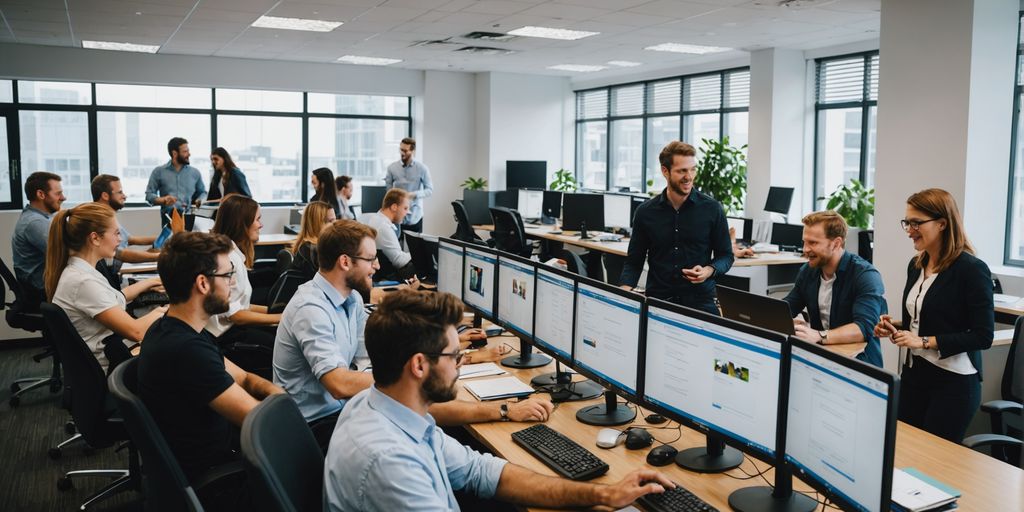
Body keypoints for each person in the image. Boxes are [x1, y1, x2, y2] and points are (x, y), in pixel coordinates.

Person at [324, 289, 673, 511]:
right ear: (418, 365)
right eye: (455, 356)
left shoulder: (383, 407)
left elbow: (482, 472)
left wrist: (602, 494)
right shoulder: (390, 462)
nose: (461, 364)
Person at [273, 220, 552, 448]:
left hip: (342, 409)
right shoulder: (311, 307)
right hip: (315, 428)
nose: (378, 266)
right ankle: (502, 413)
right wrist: (418, 376)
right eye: (371, 259)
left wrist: (456, 355)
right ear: (345, 262)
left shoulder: (351, 300)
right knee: (423, 405)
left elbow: (371, 360)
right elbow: (340, 384)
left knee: (423, 405)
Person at [139, 231, 283, 491]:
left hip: (220, 454)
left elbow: (246, 378)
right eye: (228, 275)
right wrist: (285, 404)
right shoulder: (186, 351)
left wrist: (277, 394)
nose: (232, 283)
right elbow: (258, 421)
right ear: (203, 284)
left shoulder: (174, 328)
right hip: (220, 478)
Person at [874, 188, 993, 443]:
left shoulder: (971, 270)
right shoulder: (917, 264)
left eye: (916, 223)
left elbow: (983, 336)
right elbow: (923, 317)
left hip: (952, 384)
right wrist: (895, 326)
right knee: (903, 452)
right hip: (915, 377)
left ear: (942, 223)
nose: (909, 229)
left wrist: (924, 341)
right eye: (907, 222)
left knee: (932, 465)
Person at [45, 203, 166, 374]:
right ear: (95, 238)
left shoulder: (82, 270)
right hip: (108, 368)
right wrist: (167, 310)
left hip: (106, 354)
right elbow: (136, 331)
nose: (120, 240)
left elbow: (115, 298)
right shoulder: (83, 282)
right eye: (116, 233)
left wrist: (150, 282)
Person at [620, 141, 734, 315]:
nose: (689, 176)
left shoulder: (712, 209)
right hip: (658, 300)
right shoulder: (645, 212)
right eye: (682, 171)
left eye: (692, 169)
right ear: (665, 171)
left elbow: (726, 256)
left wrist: (708, 270)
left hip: (700, 302)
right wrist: (623, 294)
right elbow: (634, 261)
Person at [782, 211, 885, 367]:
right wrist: (783, 320)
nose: (805, 249)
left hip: (859, 363)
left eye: (813, 243)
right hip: (822, 356)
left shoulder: (865, 275)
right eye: (804, 242)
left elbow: (863, 328)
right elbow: (788, 306)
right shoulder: (808, 271)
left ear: (836, 243)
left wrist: (819, 335)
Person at [208, 195, 281, 361]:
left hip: (232, 330)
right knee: (284, 345)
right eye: (258, 219)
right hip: (225, 336)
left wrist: (278, 313)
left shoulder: (234, 255)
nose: (261, 225)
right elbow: (235, 315)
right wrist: (280, 318)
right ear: (242, 223)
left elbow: (242, 306)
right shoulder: (228, 259)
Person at [12, 171, 65, 307]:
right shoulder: (34, 222)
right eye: (58, 194)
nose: (63, 198)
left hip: (46, 286)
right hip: (41, 292)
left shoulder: (43, 218)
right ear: (41, 194)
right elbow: (66, 253)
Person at [91, 174, 160, 269]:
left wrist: (162, 238)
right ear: (105, 196)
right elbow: (119, 253)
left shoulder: (109, 217)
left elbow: (130, 239)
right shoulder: (98, 220)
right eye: (120, 192)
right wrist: (158, 257)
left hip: (121, 262)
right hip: (116, 266)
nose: (124, 196)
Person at [357, 188, 416, 281]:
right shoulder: (383, 226)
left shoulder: (374, 218)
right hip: (384, 274)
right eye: (405, 208)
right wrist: (416, 253)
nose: (407, 213)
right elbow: (399, 261)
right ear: (394, 207)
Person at [145, 137, 207, 226]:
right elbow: (149, 195)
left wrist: (200, 200)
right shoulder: (158, 172)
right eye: (185, 152)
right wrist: (163, 200)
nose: (189, 154)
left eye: (188, 151)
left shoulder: (195, 173)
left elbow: (203, 192)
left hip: (189, 220)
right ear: (174, 153)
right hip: (168, 221)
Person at [385, 137, 433, 233]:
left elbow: (429, 190)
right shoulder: (391, 168)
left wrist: (413, 195)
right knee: (396, 247)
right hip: (396, 217)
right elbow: (389, 192)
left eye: (405, 151)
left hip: (415, 216)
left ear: (413, 151)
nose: (402, 153)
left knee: (415, 247)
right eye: (401, 149)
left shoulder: (422, 168)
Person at [287, 201, 335, 282]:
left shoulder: (308, 246)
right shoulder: (310, 249)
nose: (335, 225)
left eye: (334, 220)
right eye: (330, 221)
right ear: (317, 224)